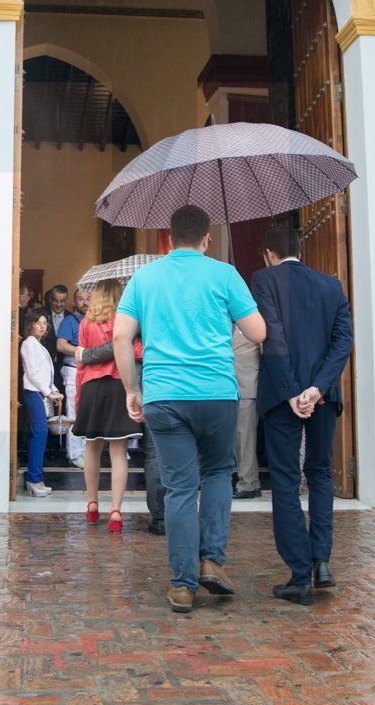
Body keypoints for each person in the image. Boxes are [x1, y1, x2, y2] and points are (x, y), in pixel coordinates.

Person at [113, 205, 267, 613]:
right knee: (218, 473)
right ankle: (212, 561)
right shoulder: (224, 274)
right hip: (216, 392)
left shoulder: (145, 278)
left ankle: (183, 585)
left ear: (169, 236)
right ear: (206, 237)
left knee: (180, 487)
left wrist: (132, 388)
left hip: (164, 393)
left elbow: (120, 337)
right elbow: (258, 331)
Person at [249, 223, 353, 606]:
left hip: (282, 394)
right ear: (299, 249)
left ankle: (298, 573)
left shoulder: (264, 279)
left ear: (269, 254)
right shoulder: (332, 285)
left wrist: (294, 391)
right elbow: (343, 341)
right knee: (321, 473)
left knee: (286, 478)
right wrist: (318, 387)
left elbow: (272, 336)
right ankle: (321, 561)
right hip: (323, 394)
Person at [73, 279, 142, 533]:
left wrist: (79, 398)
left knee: (91, 447)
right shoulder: (123, 321)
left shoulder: (85, 323)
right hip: (118, 385)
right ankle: (115, 511)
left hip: (92, 387)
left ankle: (92, 504)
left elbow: (81, 365)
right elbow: (135, 350)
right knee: (118, 450)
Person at [19, 310, 61, 497]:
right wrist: (48, 393)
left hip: (41, 392)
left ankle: (36, 478)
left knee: (40, 434)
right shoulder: (28, 344)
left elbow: (46, 374)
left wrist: (53, 390)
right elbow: (33, 374)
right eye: (38, 323)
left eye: (45, 323)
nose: (43, 326)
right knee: (40, 433)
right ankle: (34, 478)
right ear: (31, 325)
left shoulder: (39, 345)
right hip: (33, 392)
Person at [55, 287, 91, 468]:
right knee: (73, 412)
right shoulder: (70, 320)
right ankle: (75, 453)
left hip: (91, 371)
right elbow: (61, 345)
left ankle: (87, 451)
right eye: (80, 298)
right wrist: (80, 352)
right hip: (73, 369)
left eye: (88, 298)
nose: (84, 302)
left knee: (88, 413)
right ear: (74, 302)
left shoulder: (95, 320)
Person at [232, 328, 262, 498]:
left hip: (247, 385)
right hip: (217, 385)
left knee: (245, 436)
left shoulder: (254, 318)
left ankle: (248, 483)